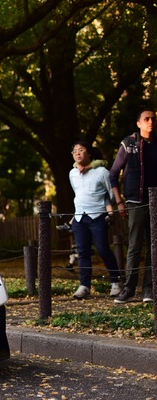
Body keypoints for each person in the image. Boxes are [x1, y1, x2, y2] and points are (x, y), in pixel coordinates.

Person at [110, 107, 157, 304]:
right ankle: (129, 288)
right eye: (146, 119)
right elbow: (113, 173)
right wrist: (119, 201)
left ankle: (148, 289)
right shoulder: (129, 143)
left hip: (155, 201)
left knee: (154, 246)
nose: (151, 121)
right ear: (138, 123)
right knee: (135, 245)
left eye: (153, 119)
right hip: (135, 201)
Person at [69, 141, 121, 299]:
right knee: (82, 252)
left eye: (81, 150)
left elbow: (110, 193)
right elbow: (77, 192)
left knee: (103, 249)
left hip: (97, 216)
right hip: (79, 217)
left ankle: (116, 282)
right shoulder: (72, 173)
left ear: (89, 153)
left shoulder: (101, 171)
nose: (78, 153)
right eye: (75, 151)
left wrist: (107, 207)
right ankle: (84, 285)